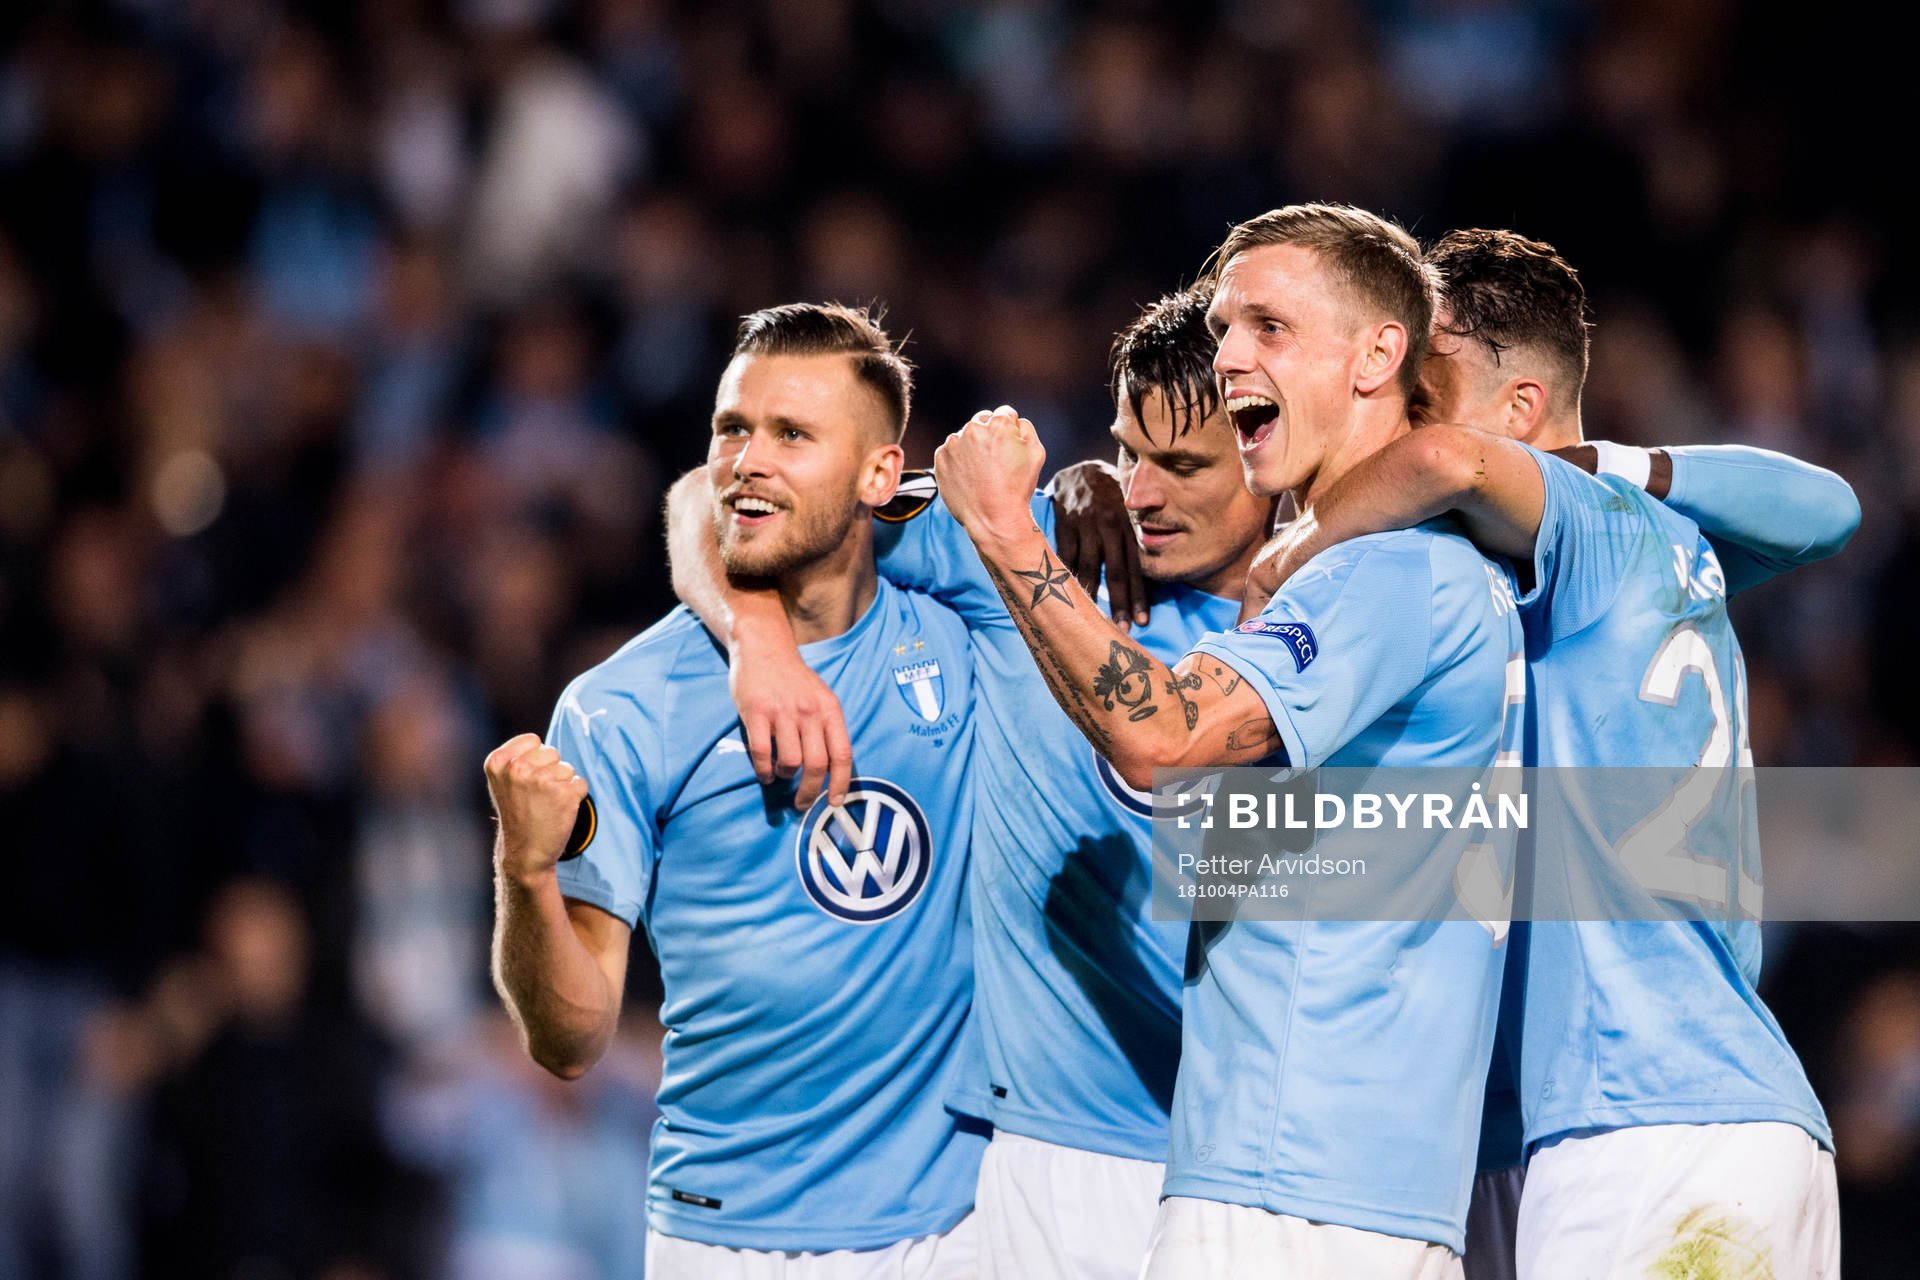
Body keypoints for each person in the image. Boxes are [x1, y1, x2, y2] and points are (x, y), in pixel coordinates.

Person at [1249, 228, 1856, 1280]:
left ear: (1521, 413)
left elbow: (1445, 461)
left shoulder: (1591, 531)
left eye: (1421, 396)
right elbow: (1823, 511)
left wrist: (1292, 553)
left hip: (1651, 1117)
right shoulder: (1611, 553)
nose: (1398, 430)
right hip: (1620, 1116)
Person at [937, 203, 1526, 1278]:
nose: (1232, 353)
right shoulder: (1427, 568)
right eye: (1227, 326)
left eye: (1269, 327)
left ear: (1378, 354)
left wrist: (1010, 534)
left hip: (1288, 1191)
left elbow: (1166, 738)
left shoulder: (1379, 574)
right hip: (1353, 1180)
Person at [668, 286, 1277, 1279]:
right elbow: (726, 497)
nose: (1144, 493)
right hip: (1051, 1152)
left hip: (1261, 1163)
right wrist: (759, 637)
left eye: (1185, 465)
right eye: (1129, 453)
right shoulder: (1031, 543)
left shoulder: (1342, 622)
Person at [486, 302, 985, 1278]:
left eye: (792, 433)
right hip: (726, 1234)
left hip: (957, 1230)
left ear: (880, 474)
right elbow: (573, 1036)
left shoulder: (970, 618)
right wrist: (526, 868)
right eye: (732, 428)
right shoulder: (619, 704)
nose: (748, 459)